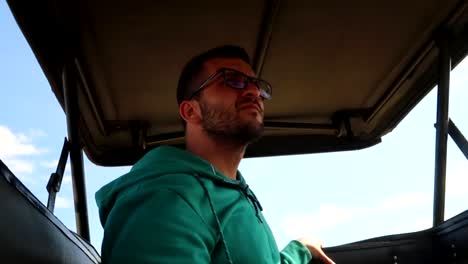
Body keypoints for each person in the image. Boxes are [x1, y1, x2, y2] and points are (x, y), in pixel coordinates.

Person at [96, 45, 335, 264]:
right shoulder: (163, 198)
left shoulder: (234, 194)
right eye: (231, 80)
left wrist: (300, 250)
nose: (254, 91)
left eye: (255, 84)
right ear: (191, 111)